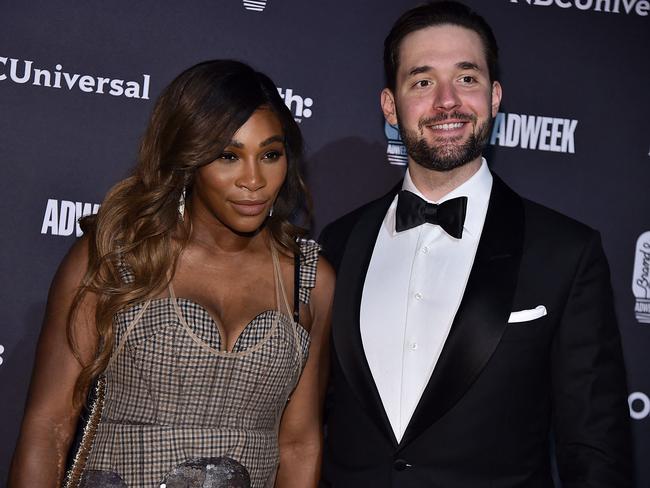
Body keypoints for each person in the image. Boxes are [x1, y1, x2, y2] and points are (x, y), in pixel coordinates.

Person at [318, 2, 633, 487]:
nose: (448, 101)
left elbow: (594, 449)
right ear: (389, 104)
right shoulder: (339, 242)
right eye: (422, 82)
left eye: (467, 79)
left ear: (495, 95)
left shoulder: (565, 252)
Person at [9, 60, 334, 488]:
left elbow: (300, 445)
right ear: (188, 158)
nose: (254, 180)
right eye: (228, 156)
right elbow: (49, 426)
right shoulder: (115, 255)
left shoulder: (308, 278)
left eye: (270, 155)